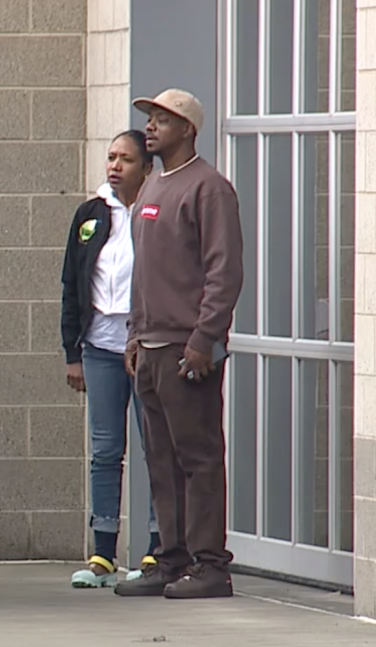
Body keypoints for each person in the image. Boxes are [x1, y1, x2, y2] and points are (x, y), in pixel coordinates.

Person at [115, 89, 245, 599]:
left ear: (188, 129)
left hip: (185, 348)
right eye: (148, 119)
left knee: (198, 457)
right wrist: (132, 334)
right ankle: (171, 559)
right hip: (148, 347)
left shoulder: (209, 189)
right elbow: (142, 275)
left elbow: (224, 271)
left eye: (162, 120)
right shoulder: (151, 188)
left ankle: (210, 565)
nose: (149, 127)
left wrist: (204, 338)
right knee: (161, 460)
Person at [59, 130, 161, 589]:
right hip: (99, 346)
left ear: (146, 167)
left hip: (146, 346)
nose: (115, 166)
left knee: (155, 446)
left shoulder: (155, 210)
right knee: (105, 449)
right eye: (111, 157)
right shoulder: (91, 214)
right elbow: (71, 286)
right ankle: (102, 553)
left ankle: (158, 549)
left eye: (126, 159)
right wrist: (72, 353)